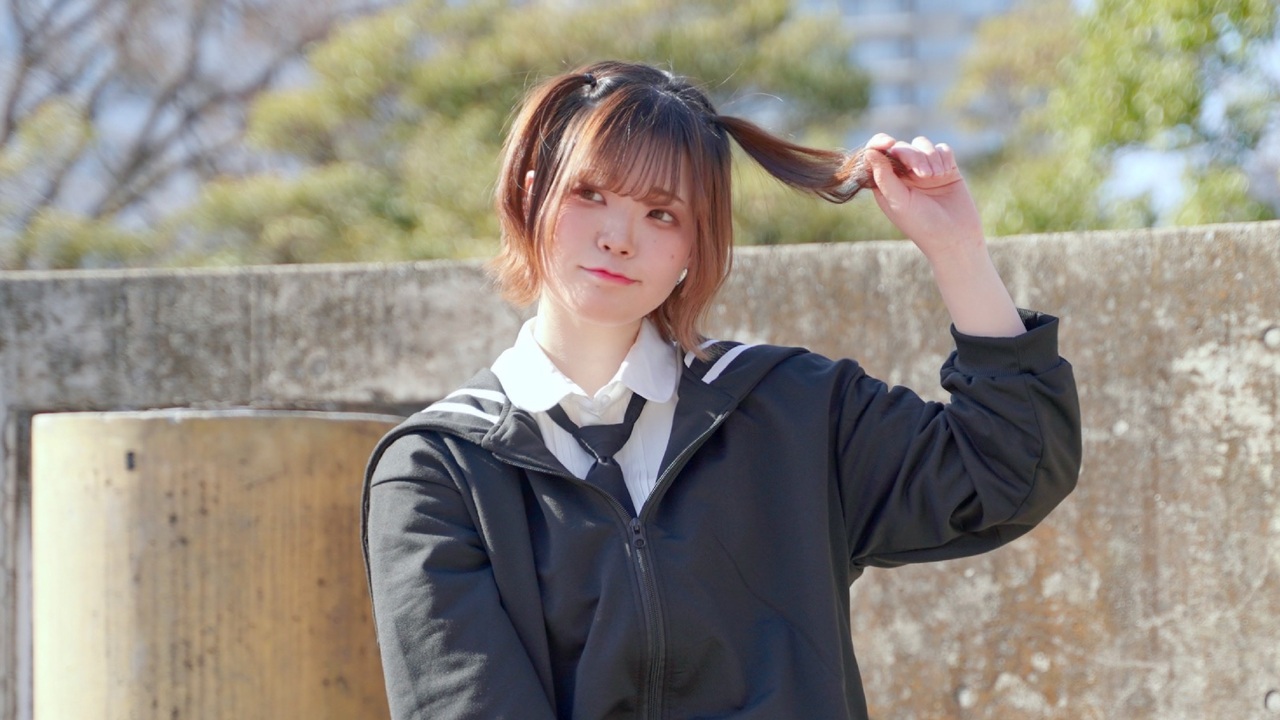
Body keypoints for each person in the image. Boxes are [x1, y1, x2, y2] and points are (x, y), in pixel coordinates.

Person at [361, 60, 1081, 720]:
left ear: (693, 245)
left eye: (661, 213)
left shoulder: (790, 409)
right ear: (530, 195)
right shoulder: (437, 470)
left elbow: (1008, 468)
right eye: (590, 193)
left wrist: (956, 251)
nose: (619, 237)